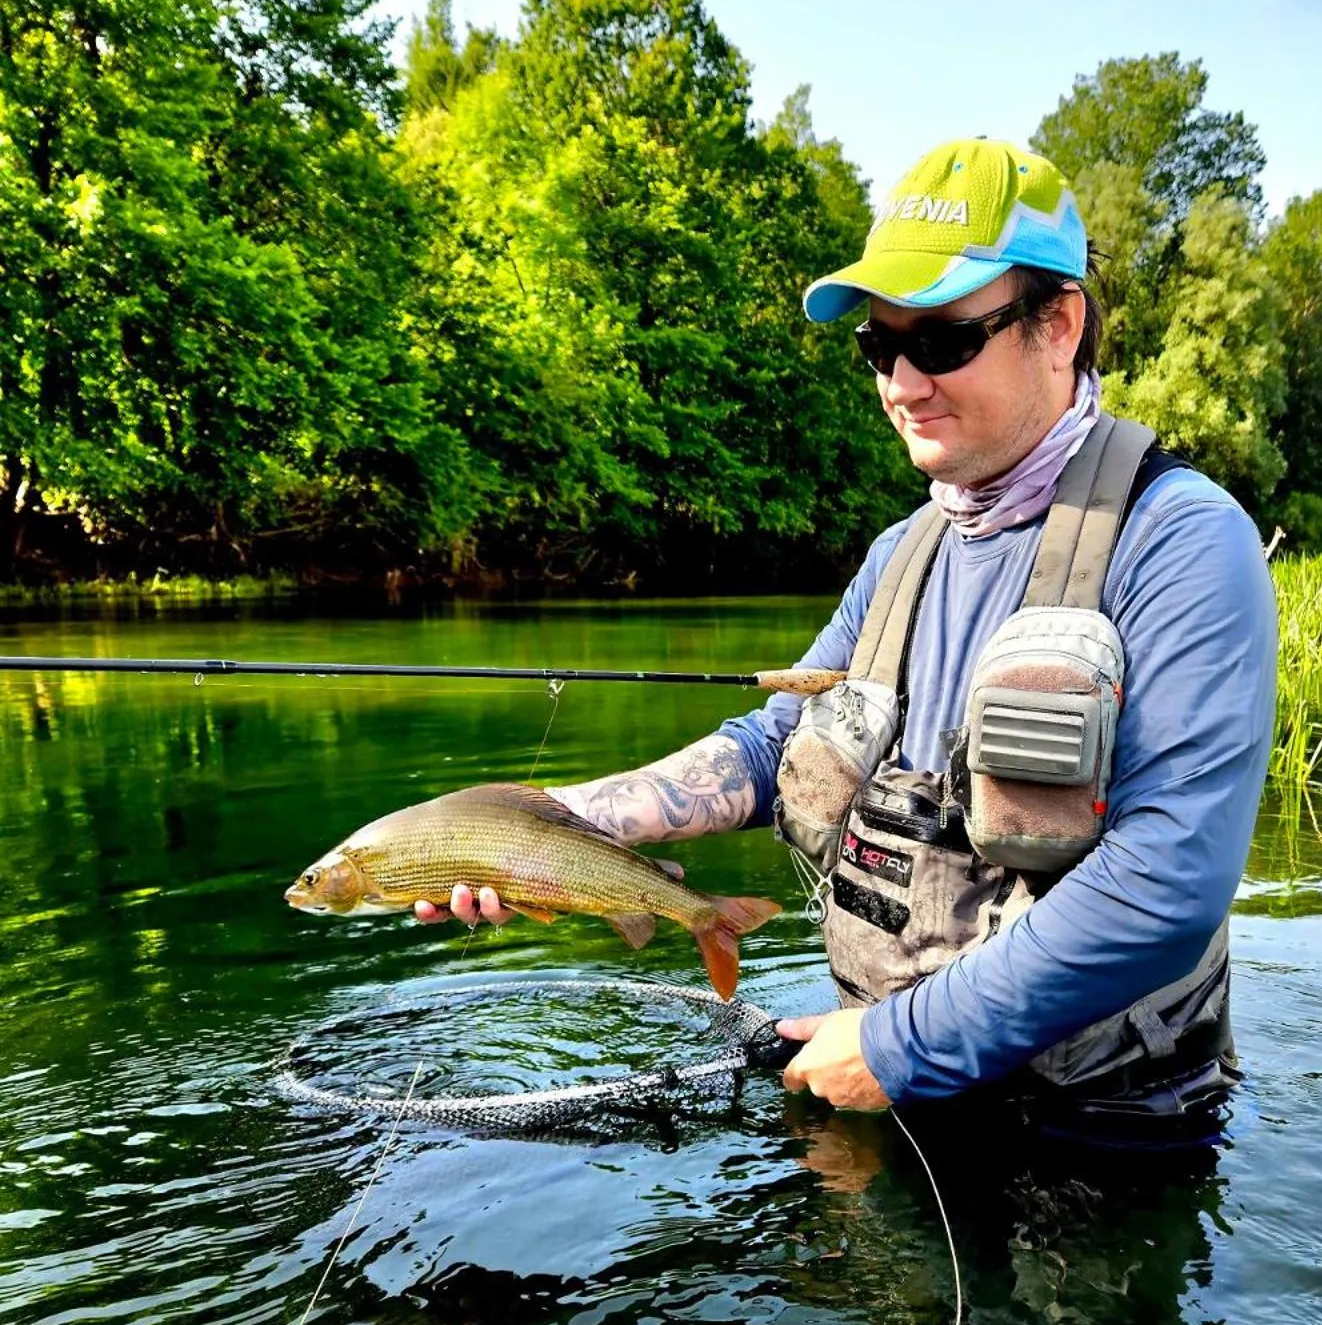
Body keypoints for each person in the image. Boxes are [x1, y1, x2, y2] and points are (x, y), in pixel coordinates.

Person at [417, 138, 1277, 1142]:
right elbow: (776, 743)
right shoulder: (900, 553)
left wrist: (899, 1042)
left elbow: (1171, 878)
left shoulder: (1181, 539)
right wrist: (541, 827)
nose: (902, 381)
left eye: (944, 341)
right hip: (886, 1078)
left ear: (1059, 324)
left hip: (1105, 1126)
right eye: (881, 348)